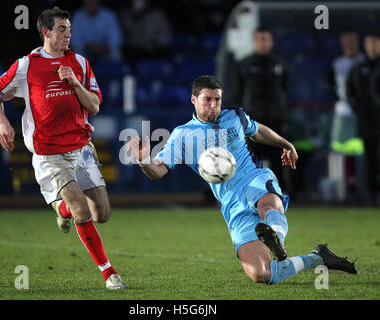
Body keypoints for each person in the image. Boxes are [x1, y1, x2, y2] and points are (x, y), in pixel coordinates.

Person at [129, 75, 357, 284]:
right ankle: (318, 258)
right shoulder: (182, 135)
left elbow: (258, 131)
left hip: (254, 179)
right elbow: (158, 170)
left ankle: (276, 240)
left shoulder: (234, 115)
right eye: (207, 99)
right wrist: (143, 160)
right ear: (193, 100)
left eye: (217, 99)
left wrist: (286, 144)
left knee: (269, 203)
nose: (213, 105)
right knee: (261, 274)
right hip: (231, 204)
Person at [0, 7, 126, 290]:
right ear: (46, 32)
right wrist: (3, 123)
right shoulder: (26, 65)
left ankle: (62, 211)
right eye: (62, 29)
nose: (68, 35)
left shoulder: (80, 63)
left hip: (82, 147)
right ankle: (109, 274)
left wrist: (74, 82)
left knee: (102, 214)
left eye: (70, 29)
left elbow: (95, 106)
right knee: (81, 210)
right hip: (49, 152)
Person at [226, 27, 290, 192]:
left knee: (278, 163)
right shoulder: (244, 65)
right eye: (259, 40)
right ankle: (248, 196)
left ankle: (280, 197)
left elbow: (285, 90)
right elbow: (235, 95)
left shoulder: (280, 65)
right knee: (250, 163)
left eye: (266, 39)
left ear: (271, 42)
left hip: (276, 122)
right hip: (252, 124)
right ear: (254, 42)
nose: (263, 43)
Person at [327, 29, 365, 202]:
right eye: (346, 39)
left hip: (363, 112)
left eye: (352, 39)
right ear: (342, 42)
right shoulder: (336, 62)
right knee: (341, 151)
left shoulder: (364, 61)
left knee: (364, 150)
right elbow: (330, 86)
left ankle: (363, 185)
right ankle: (343, 188)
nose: (349, 43)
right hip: (343, 111)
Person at [347, 31, 380, 206]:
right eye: (369, 42)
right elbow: (350, 93)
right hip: (367, 122)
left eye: (376, 42)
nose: (373, 46)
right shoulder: (357, 69)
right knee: (370, 159)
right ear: (365, 45)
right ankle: (373, 195)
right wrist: (360, 109)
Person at [121, 0, 173, 68]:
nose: (139, 3)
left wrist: (156, 44)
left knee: (167, 55)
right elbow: (126, 35)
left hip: (156, 48)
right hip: (137, 49)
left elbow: (166, 35)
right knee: (128, 53)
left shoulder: (157, 15)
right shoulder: (127, 15)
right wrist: (135, 16)